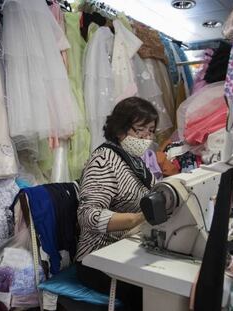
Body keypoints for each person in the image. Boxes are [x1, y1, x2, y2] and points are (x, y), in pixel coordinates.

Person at [75, 96, 159, 310]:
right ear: (120, 129)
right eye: (141, 130)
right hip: (98, 259)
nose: (147, 137)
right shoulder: (104, 161)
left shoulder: (134, 161)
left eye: (151, 131)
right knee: (153, 292)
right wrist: (136, 218)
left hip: (128, 249)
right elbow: (87, 215)